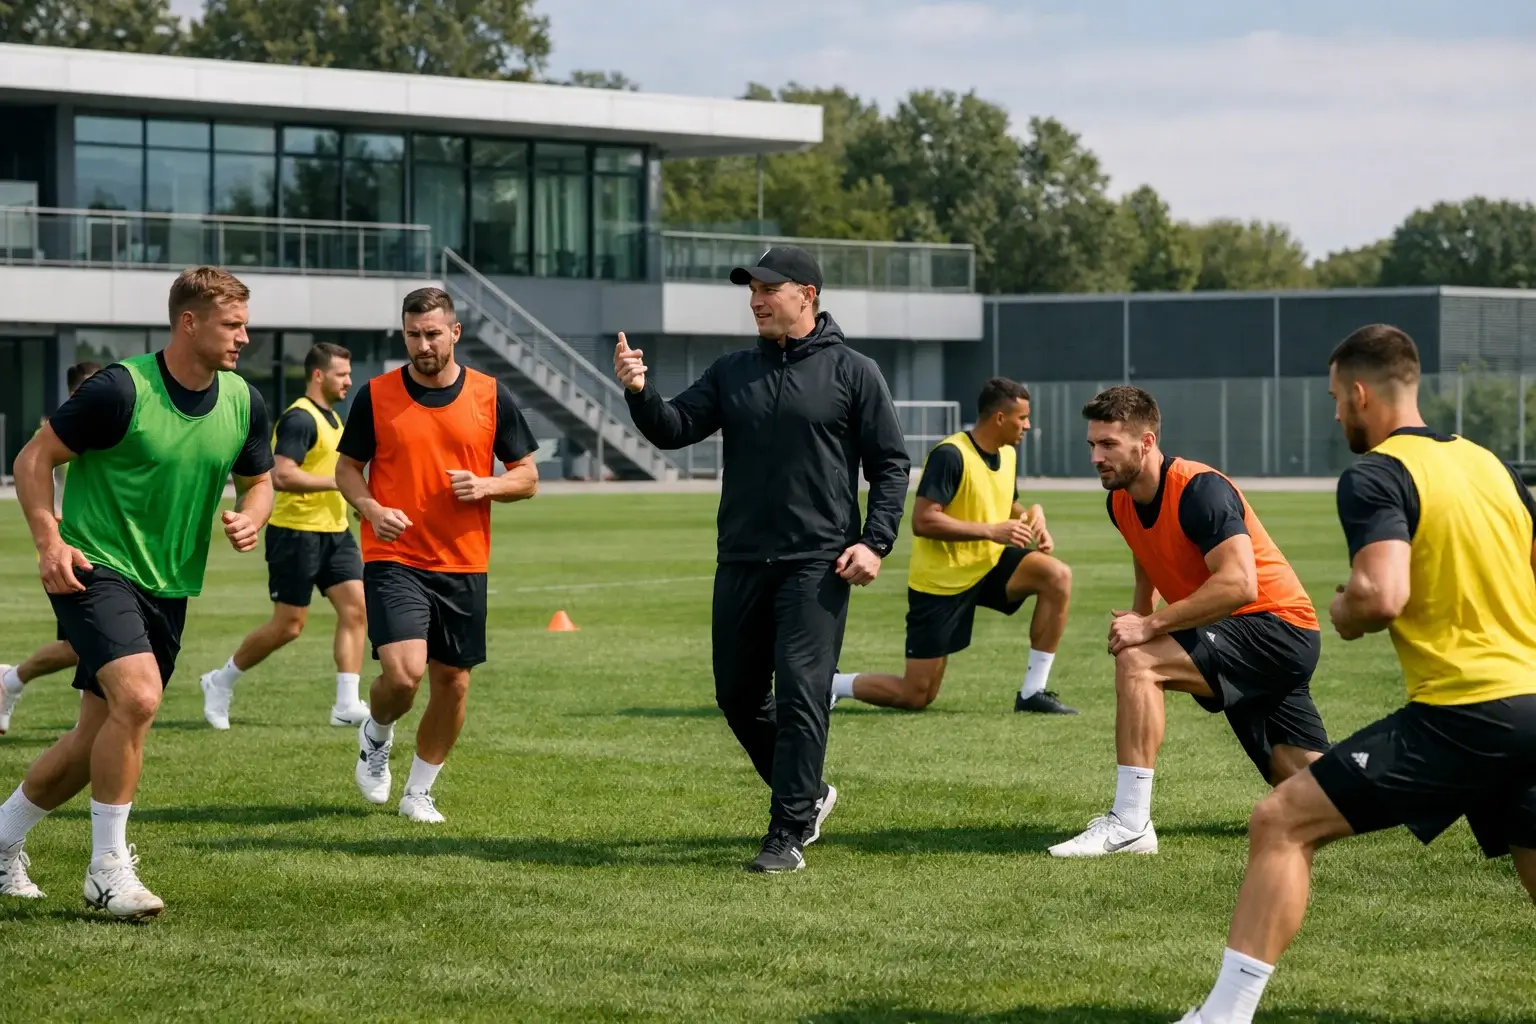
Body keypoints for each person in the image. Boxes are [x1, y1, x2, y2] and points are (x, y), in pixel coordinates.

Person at [1175, 325, 1536, 1024]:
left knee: (1281, 822)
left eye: (1338, 399)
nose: (1337, 414)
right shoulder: (1490, 464)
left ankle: (1223, 1015)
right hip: (1533, 697)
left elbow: (1382, 593)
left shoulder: (1376, 474)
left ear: (1361, 393)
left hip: (1466, 709)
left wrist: (1347, 606)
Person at [615, 244, 911, 874]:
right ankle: (809, 794)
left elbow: (890, 466)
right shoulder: (731, 370)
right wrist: (641, 392)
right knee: (738, 696)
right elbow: (675, 427)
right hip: (743, 559)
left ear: (806, 293)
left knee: (804, 692)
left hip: (819, 563)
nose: (755, 299)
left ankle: (789, 829)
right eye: (750, 290)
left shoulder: (855, 372)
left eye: (767, 289)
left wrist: (875, 541)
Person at [0, 267, 273, 918]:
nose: (244, 337)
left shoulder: (244, 401)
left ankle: (2, 839)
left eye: (245, 324)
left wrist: (253, 514)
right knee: (141, 698)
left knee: (91, 738)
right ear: (189, 322)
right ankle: (106, 872)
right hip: (94, 566)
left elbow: (259, 478)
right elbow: (33, 460)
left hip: (168, 584)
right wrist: (49, 540)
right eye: (232, 325)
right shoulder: (120, 390)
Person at [1049, 385, 1329, 859]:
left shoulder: (1201, 490)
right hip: (1240, 634)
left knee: (1140, 661)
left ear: (1146, 441)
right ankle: (1426, 779)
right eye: (1092, 445)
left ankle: (1130, 824)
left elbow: (1239, 584)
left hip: (1276, 628)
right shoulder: (1120, 502)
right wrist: (1140, 611)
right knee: (1315, 788)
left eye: (1109, 444)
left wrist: (1149, 627)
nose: (1096, 456)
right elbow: (1148, 555)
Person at [336, 287, 538, 824]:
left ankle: (418, 791)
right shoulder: (375, 395)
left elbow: (528, 477)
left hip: (464, 561)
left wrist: (488, 486)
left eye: (431, 333)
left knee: (454, 683)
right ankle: (376, 733)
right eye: (412, 334)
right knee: (403, 676)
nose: (422, 344)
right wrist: (372, 509)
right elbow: (347, 469)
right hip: (393, 555)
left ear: (455, 333)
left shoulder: (491, 395)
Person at [829, 377, 1076, 714]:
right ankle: (831, 684)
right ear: (1000, 418)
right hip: (941, 583)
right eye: (1023, 418)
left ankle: (1033, 692)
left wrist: (1033, 517)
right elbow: (924, 520)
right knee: (916, 695)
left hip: (986, 567)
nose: (1028, 425)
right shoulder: (950, 455)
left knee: (1056, 576)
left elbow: (1004, 503)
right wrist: (991, 531)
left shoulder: (1007, 455)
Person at [199, 342, 369, 730]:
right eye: (342, 374)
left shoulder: (334, 420)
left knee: (357, 609)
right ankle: (220, 680)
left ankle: (345, 704)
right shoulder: (299, 419)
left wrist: (356, 503)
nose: (349, 381)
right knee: (289, 626)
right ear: (318, 375)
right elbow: (282, 474)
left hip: (335, 534)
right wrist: (340, 483)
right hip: (295, 534)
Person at [1, 360, 103, 734]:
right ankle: (87, 730)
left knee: (85, 645)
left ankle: (10, 681)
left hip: (104, 546)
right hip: (69, 547)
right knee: (88, 645)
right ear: (78, 393)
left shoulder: (105, 425)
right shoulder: (58, 430)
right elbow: (39, 475)